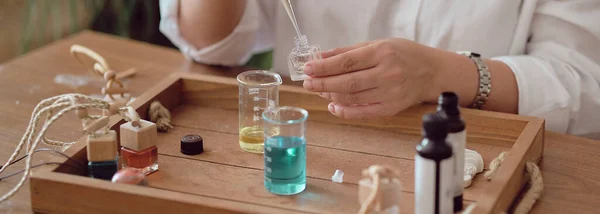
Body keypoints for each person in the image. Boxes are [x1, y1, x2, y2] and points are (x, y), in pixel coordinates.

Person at [159, 0, 600, 139]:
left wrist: (438, 74)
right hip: (318, 146)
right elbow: (211, 41)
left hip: (470, 160)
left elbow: (584, 85)